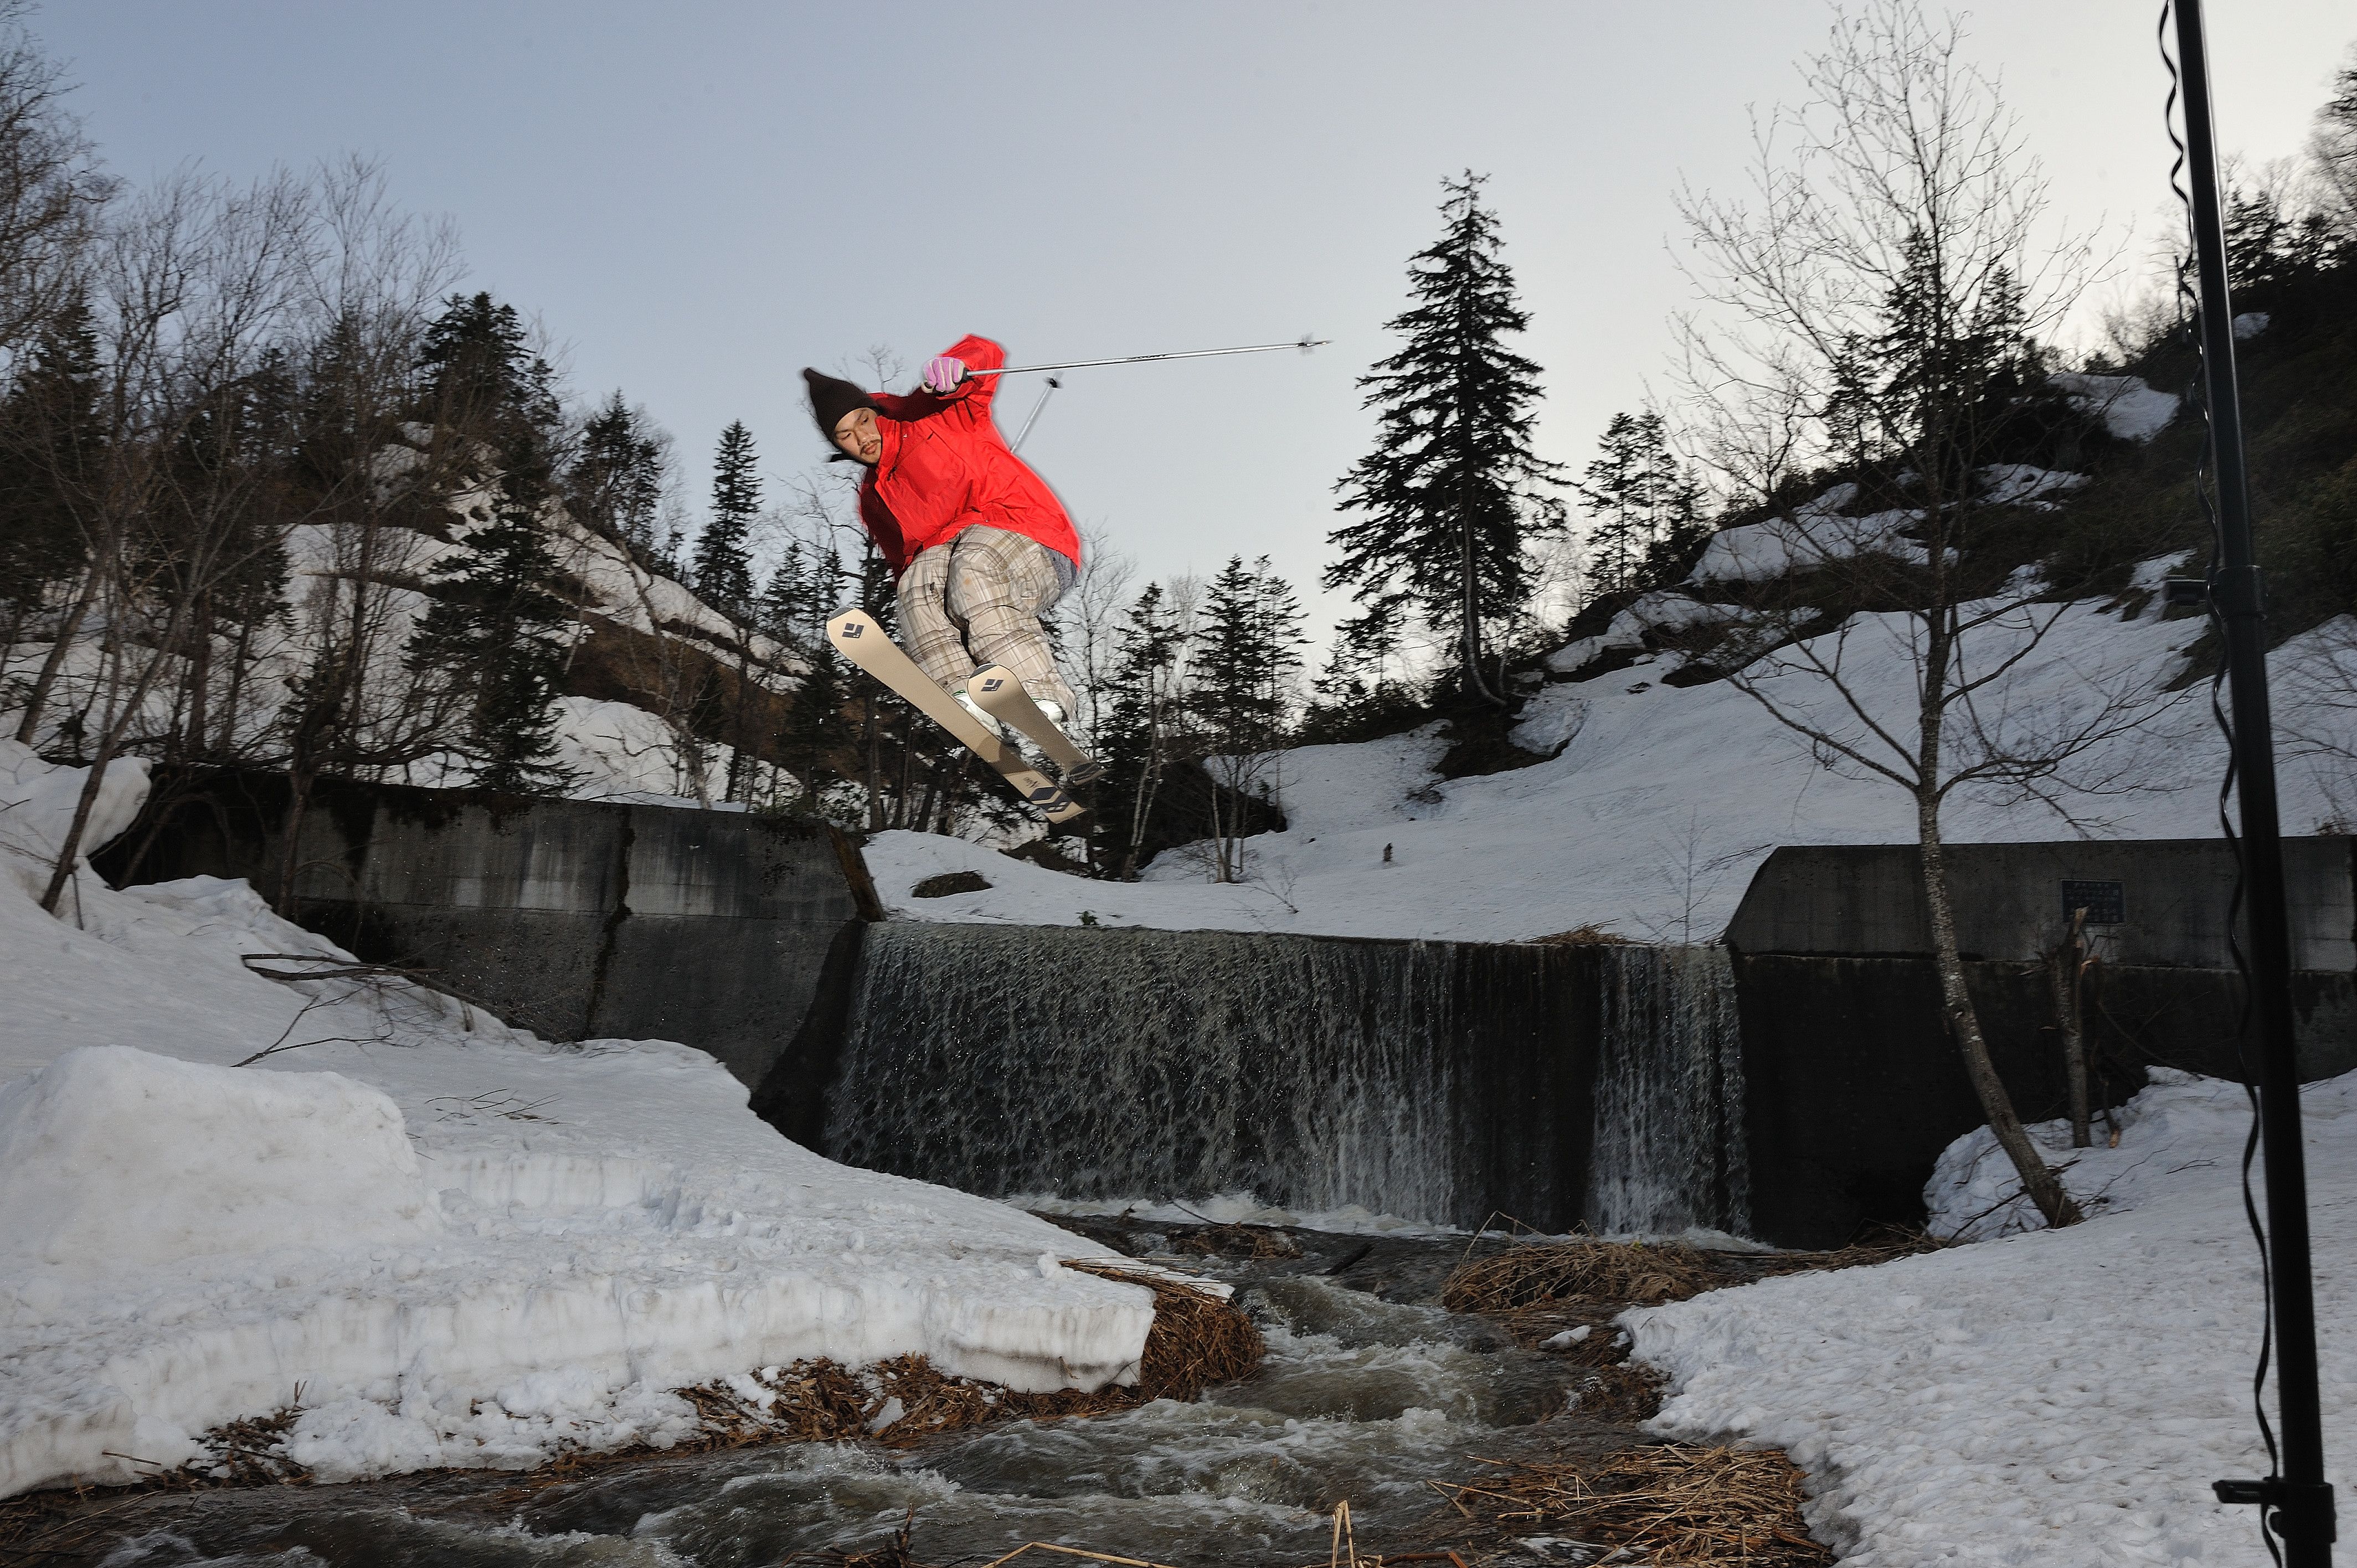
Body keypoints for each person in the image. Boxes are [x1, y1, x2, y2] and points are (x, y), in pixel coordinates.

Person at [802, 336, 1081, 736]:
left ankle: (1039, 689)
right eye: (844, 435)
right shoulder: (874, 501)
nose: (861, 438)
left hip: (1032, 537)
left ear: (876, 411)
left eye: (863, 420)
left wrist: (956, 368)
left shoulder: (933, 413)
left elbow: (985, 359)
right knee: (915, 586)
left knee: (974, 561)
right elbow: (906, 567)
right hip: (957, 562)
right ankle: (964, 695)